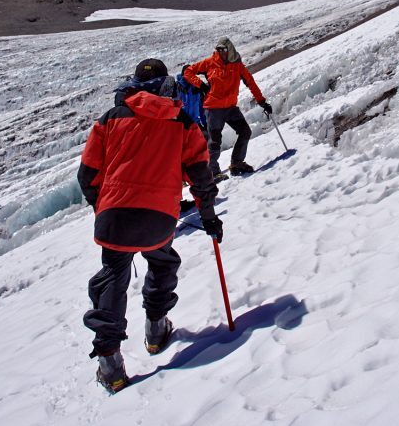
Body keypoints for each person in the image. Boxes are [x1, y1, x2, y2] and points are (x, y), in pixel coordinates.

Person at [78, 58, 222, 393]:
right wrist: (210, 217)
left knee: (113, 277)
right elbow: (200, 175)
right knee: (162, 260)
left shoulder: (111, 119)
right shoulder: (182, 121)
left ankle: (110, 365)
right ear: (166, 84)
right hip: (159, 216)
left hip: (114, 215)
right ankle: (156, 331)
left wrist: (102, 206)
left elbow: (87, 173)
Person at [183, 37, 272, 178]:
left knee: (245, 131)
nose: (220, 52)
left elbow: (250, 82)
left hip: (230, 107)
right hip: (213, 108)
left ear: (230, 49)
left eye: (223, 49)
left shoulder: (237, 65)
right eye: (218, 49)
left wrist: (261, 101)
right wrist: (201, 85)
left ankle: (236, 163)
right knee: (215, 141)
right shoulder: (210, 62)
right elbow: (188, 72)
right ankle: (212, 172)